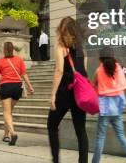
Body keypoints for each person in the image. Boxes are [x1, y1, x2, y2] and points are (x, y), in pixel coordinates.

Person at [48, 16, 88, 163]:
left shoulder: (60, 46)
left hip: (65, 91)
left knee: (52, 125)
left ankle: (56, 160)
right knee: (80, 130)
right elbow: (84, 68)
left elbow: (59, 70)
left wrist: (52, 95)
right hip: (80, 92)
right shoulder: (81, 46)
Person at [91, 47, 126, 163]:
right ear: (113, 57)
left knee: (100, 138)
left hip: (105, 109)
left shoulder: (98, 71)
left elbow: (93, 86)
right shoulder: (118, 69)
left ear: (100, 58)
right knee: (122, 137)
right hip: (117, 108)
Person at [0, 42, 34, 146]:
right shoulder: (19, 60)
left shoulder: (1, 61)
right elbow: (24, 74)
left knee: (6, 112)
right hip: (17, 88)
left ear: (4, 50)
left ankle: (13, 133)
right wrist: (30, 86)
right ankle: (6, 135)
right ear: (13, 49)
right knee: (9, 112)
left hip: (6, 87)